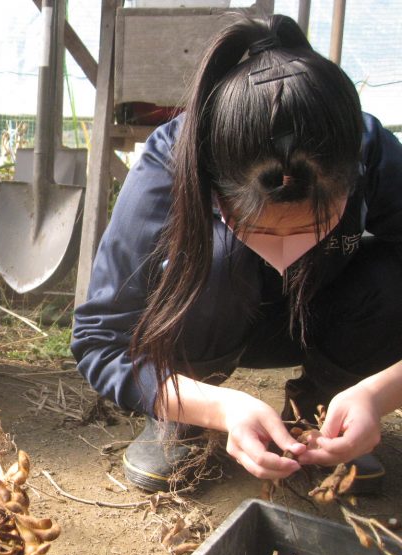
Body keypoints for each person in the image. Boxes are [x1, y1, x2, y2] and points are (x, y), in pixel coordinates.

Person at [72, 14, 402, 493]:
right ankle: (183, 416)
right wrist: (218, 407)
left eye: (317, 226)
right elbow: (99, 339)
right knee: (218, 258)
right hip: (209, 320)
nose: (288, 253)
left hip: (324, 312)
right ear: (216, 189)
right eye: (262, 229)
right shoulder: (175, 157)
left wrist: (380, 392)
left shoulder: (368, 149)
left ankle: (327, 404)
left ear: (351, 180)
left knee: (391, 277)